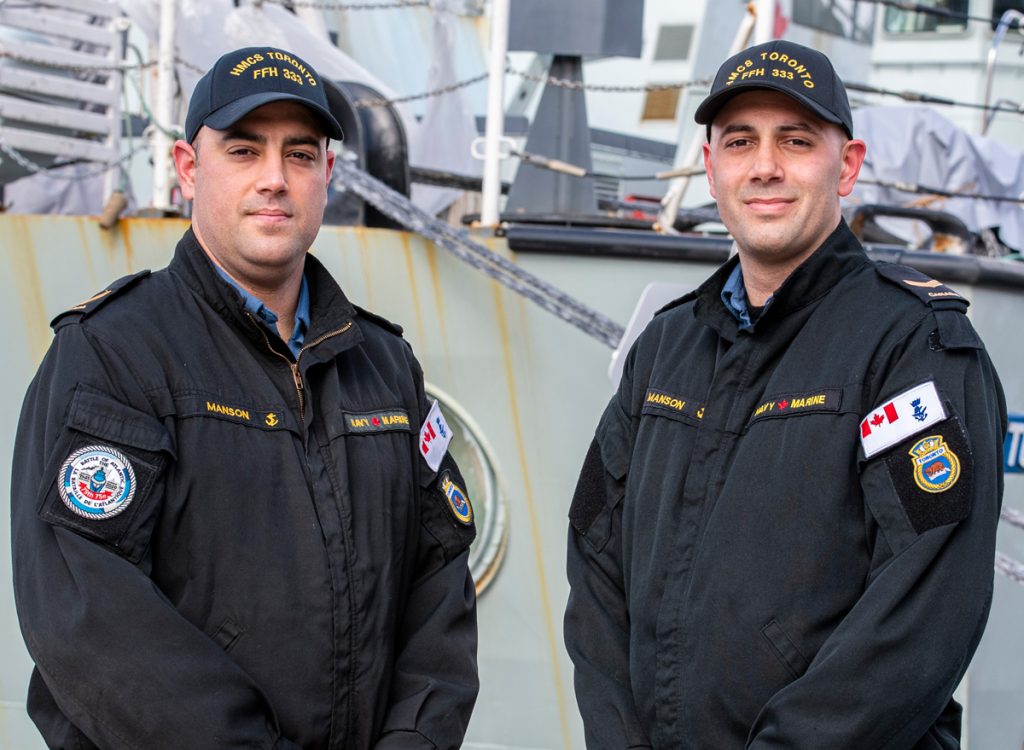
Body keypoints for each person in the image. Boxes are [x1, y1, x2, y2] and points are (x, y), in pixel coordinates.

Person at [11, 46, 478, 750]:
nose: (274, 180)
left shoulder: (385, 368)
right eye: (242, 150)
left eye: (298, 154)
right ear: (189, 169)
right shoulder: (112, 354)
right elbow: (89, 621)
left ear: (326, 173)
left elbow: (439, 587)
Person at [564, 40, 1006, 749]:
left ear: (848, 165)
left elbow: (923, 610)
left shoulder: (914, 347)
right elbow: (594, 567)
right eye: (740, 141)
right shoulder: (665, 347)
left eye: (795, 140)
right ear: (711, 168)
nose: (765, 166)